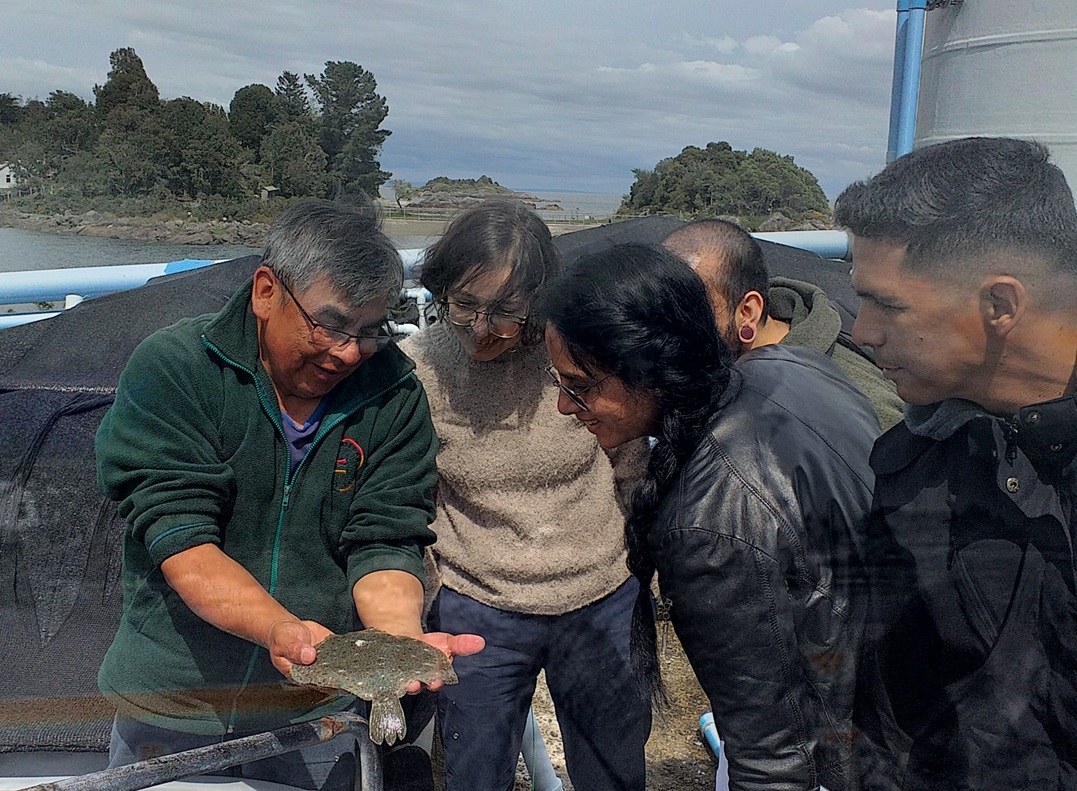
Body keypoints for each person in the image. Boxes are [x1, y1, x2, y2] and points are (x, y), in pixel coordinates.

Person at [94, 198, 483, 791]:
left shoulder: (394, 396)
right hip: (177, 698)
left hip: (319, 705)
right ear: (266, 290)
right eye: (329, 325)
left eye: (370, 332)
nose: (348, 353)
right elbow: (182, 538)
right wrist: (281, 630)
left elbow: (385, 538)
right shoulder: (176, 369)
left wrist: (398, 637)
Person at [544, 243, 879, 791]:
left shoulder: (707, 522)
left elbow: (772, 753)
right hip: (892, 703)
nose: (563, 406)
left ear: (651, 368)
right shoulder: (796, 368)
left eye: (580, 386)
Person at [834, 137, 1077, 790]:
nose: (861, 331)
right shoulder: (916, 454)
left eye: (889, 303)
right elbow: (889, 698)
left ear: (1000, 305)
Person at [398, 200, 650, 791]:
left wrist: (632, 560)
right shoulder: (416, 371)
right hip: (477, 605)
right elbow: (409, 498)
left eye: (507, 312)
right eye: (464, 305)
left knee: (612, 770)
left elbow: (628, 460)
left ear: (540, 302)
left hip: (599, 595)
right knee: (476, 772)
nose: (481, 330)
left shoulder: (578, 357)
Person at [664, 219, 904, 430]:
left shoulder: (846, 401)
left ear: (747, 313)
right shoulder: (706, 370)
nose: (662, 333)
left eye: (689, 311)